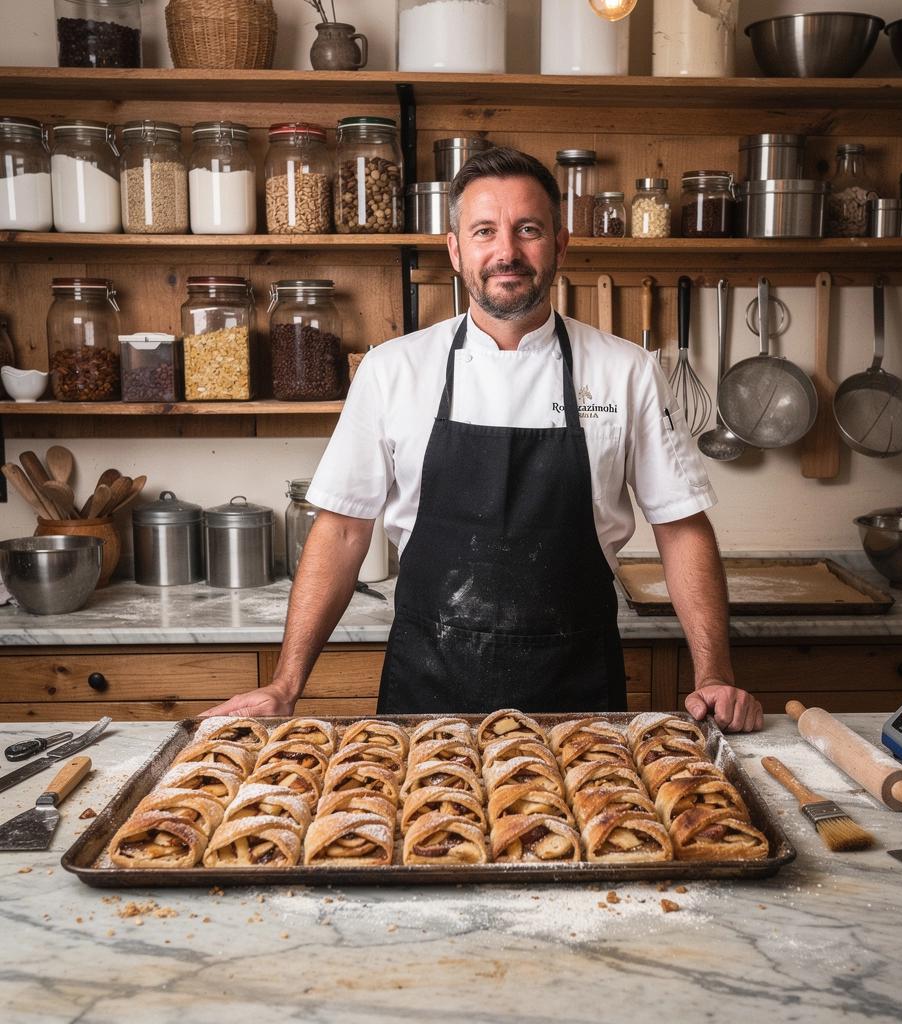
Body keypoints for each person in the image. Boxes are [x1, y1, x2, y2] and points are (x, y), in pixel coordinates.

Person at [201, 147, 763, 733]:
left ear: (560, 245)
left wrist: (714, 673)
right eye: (484, 231)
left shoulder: (628, 371)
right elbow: (341, 530)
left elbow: (681, 528)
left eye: (529, 230)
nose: (506, 252)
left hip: (577, 696)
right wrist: (286, 684)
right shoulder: (393, 370)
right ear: (455, 250)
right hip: (426, 696)